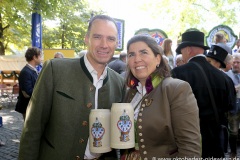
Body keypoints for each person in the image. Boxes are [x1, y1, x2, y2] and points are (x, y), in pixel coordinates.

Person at [18, 15, 125, 160]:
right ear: (86, 38)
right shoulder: (55, 70)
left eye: (111, 39)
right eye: (97, 37)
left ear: (116, 43)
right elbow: (33, 128)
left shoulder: (119, 82)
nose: (104, 44)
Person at [121, 35, 201, 159]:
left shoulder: (176, 89)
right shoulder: (129, 93)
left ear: (158, 59)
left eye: (143, 53)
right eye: (131, 54)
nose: (137, 59)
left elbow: (190, 147)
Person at [171, 31, 235, 158]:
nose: (181, 55)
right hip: (216, 142)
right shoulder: (224, 78)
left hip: (188, 141)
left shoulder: (178, 73)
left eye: (181, 51)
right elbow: (230, 106)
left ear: (188, 49)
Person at [15, 47, 42, 121]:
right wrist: (42, 90)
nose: (41, 58)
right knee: (29, 131)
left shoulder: (32, 70)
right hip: (27, 106)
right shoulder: (26, 72)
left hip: (31, 106)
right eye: (40, 56)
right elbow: (27, 92)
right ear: (34, 57)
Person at [225, 53, 240, 158]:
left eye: (238, 62)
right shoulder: (227, 74)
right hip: (233, 107)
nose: (235, 64)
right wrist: (232, 90)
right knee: (233, 131)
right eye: (234, 62)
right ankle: (233, 152)